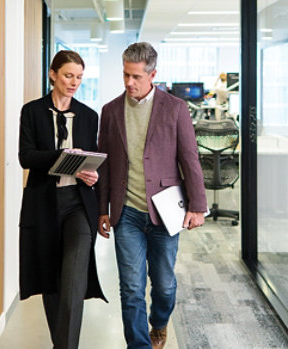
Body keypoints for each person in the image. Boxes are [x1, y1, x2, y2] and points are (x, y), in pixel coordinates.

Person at [97, 42, 207, 349]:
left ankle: (159, 322)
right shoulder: (110, 111)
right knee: (131, 288)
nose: (129, 82)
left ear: (153, 74)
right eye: (125, 75)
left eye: (135, 77)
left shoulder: (174, 108)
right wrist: (102, 209)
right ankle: (140, 345)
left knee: (164, 284)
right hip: (127, 213)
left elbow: (189, 158)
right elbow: (104, 163)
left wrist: (198, 206)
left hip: (165, 211)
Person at [18, 50, 106, 349]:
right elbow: (26, 157)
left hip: (78, 204)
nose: (74, 82)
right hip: (43, 204)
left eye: (79, 77)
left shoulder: (89, 115)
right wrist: (65, 158)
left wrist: (91, 174)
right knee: (50, 279)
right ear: (53, 74)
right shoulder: (32, 112)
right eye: (69, 75)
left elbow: (92, 159)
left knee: (73, 277)